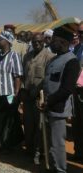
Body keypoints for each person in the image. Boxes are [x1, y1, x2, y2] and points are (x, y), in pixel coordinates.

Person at [40, 26, 80, 173]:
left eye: (54, 41)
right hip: (47, 106)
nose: (50, 43)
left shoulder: (72, 62)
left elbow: (66, 89)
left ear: (63, 42)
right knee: (49, 141)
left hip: (58, 108)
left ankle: (60, 169)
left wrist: (48, 101)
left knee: (58, 144)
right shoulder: (54, 59)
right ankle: (51, 167)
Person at [22, 33, 54, 164]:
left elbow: (48, 79)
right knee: (28, 124)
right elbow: (24, 75)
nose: (36, 44)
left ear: (44, 42)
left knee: (40, 127)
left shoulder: (50, 57)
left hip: (39, 99)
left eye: (39, 41)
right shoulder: (27, 56)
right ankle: (29, 149)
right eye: (34, 42)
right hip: (27, 97)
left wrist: (41, 95)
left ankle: (38, 152)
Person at [0, 30, 24, 152]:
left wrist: (16, 94)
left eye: (0, 39)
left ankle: (5, 145)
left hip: (8, 94)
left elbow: (17, 76)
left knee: (7, 120)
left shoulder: (14, 56)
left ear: (7, 41)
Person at [72, 21, 83, 162]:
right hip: (76, 92)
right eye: (79, 32)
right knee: (77, 124)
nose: (80, 35)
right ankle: (79, 152)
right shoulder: (77, 48)